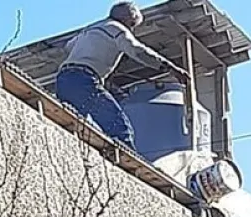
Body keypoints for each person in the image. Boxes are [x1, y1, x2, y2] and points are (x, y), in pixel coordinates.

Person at [55, 2, 190, 150]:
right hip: (84, 79)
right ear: (126, 18)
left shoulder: (91, 29)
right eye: (132, 24)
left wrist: (95, 53)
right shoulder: (116, 28)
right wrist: (171, 68)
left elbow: (68, 47)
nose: (131, 29)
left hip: (64, 79)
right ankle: (126, 168)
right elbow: (139, 51)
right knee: (119, 127)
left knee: (73, 121)